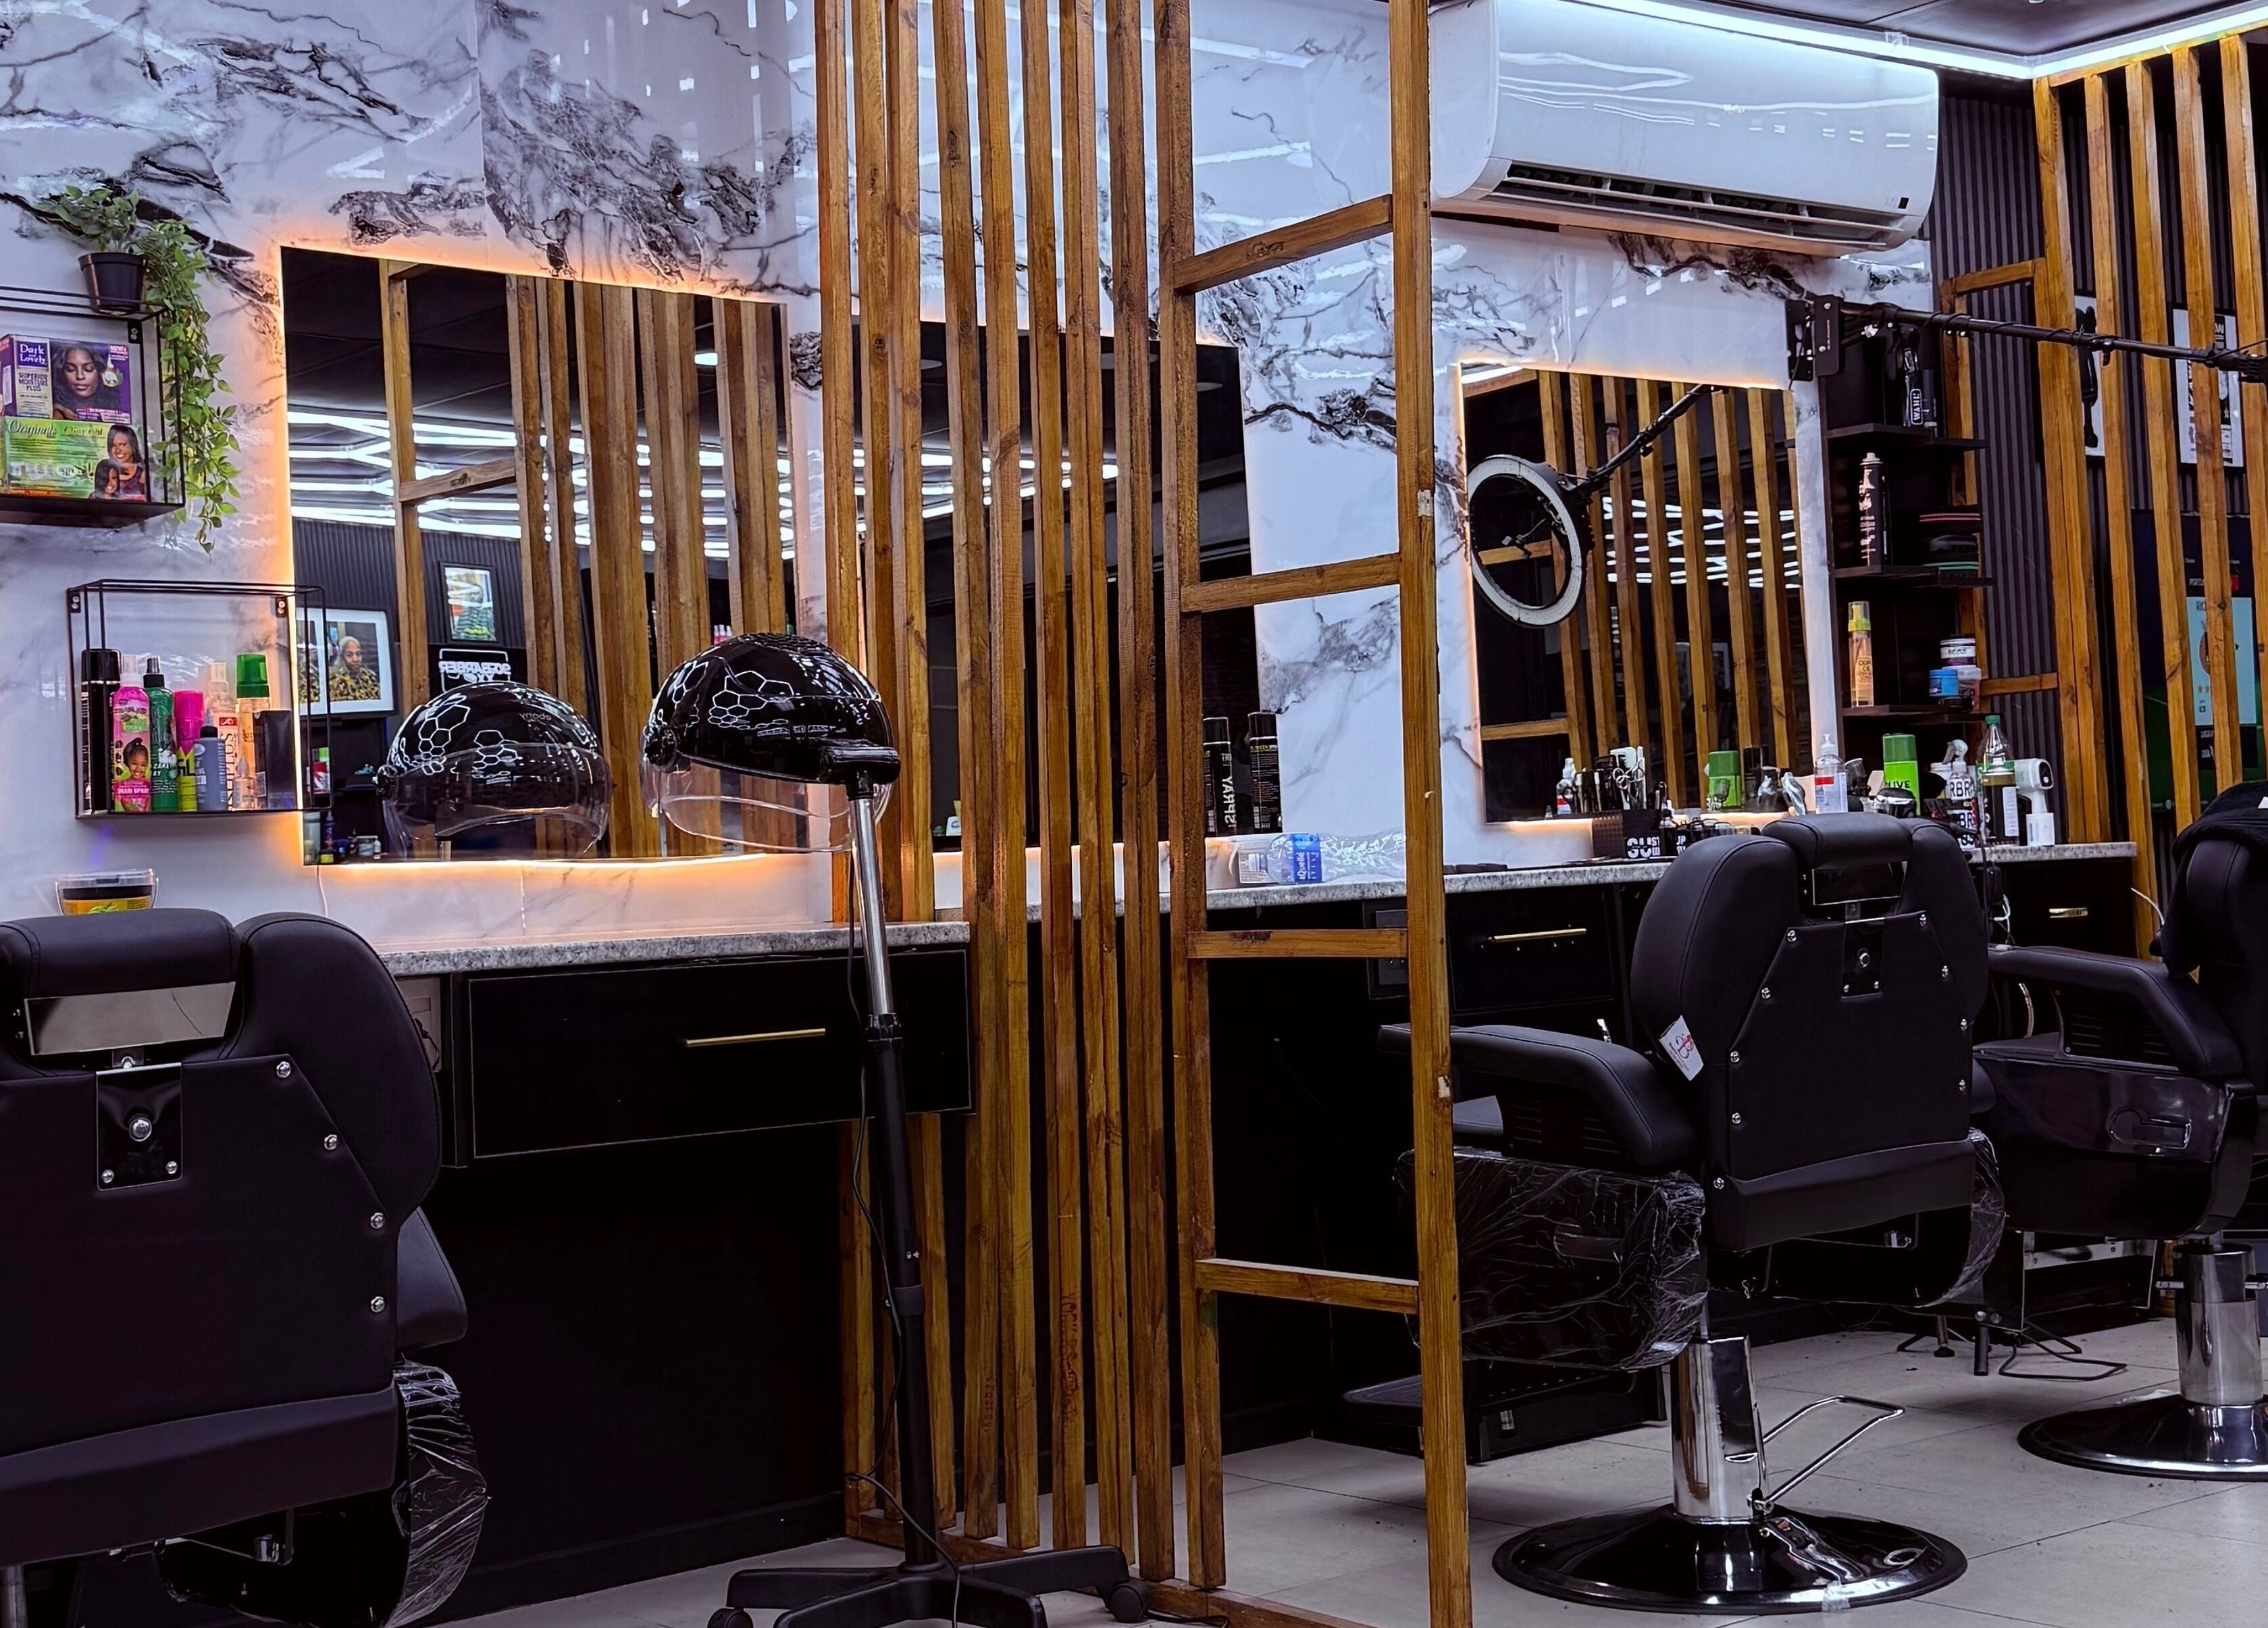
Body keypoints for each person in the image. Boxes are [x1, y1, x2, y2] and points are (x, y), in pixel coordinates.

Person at [52, 344, 124, 420]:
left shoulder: (115, 410)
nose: (80, 376)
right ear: (62, 373)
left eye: (88, 369)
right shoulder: (57, 411)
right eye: (70, 369)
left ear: (101, 371)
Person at [328, 633, 383, 703]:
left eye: (358, 654)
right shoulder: (335, 681)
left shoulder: (369, 676)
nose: (355, 659)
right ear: (342, 657)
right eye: (349, 655)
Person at [102, 425, 147, 499]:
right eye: (113, 445)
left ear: (133, 445)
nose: (118, 450)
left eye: (122, 445)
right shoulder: (104, 472)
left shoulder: (143, 474)